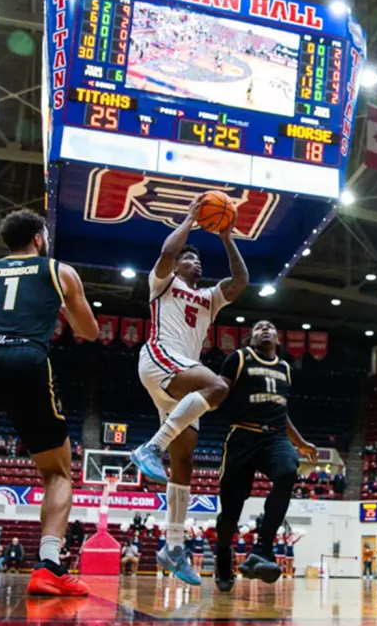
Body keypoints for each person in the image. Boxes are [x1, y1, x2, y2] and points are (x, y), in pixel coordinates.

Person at [0, 210, 100, 596]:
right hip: (26, 359)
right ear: (38, 239)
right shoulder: (58, 271)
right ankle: (48, 565)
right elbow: (89, 332)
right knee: (58, 472)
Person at [128, 194, 248, 587]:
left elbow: (241, 282)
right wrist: (192, 219)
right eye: (189, 258)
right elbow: (167, 250)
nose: (194, 261)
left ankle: (173, 546)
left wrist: (228, 238)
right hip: (162, 358)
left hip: (179, 377)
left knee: (186, 461)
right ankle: (151, 448)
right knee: (218, 384)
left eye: (198, 259)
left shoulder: (209, 298)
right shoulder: (162, 282)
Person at [210, 320, 317, 592]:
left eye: (270, 327)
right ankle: (224, 553)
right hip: (242, 436)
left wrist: (300, 441)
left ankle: (263, 548)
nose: (265, 329)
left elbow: (282, 410)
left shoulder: (285, 369)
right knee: (231, 511)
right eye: (259, 328)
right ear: (251, 338)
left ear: (278, 339)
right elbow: (220, 389)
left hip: (275, 437)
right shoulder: (239, 358)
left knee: (288, 470)